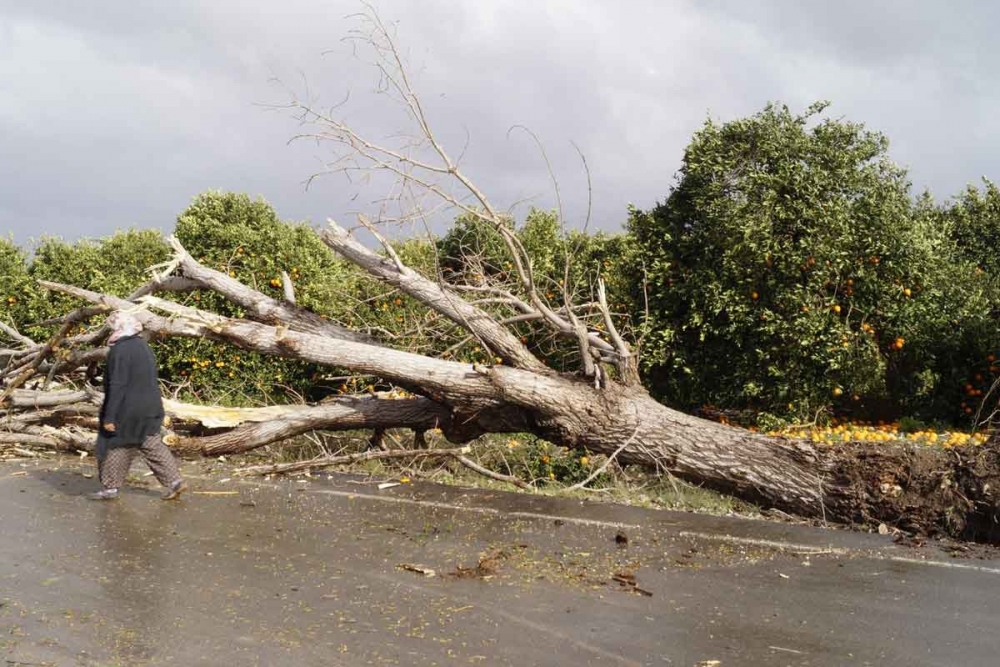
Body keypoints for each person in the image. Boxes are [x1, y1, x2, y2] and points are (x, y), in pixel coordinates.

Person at [88, 311, 187, 501]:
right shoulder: (143, 346)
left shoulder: (119, 350)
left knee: (114, 445)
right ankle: (175, 482)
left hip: (127, 409)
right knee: (151, 444)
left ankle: (110, 488)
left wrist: (110, 416)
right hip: (151, 406)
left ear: (119, 329)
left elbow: (118, 385)